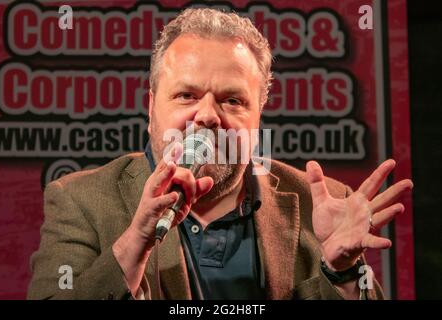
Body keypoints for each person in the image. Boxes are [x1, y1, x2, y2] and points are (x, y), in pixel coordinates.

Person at [27, 8, 413, 300]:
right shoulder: (81, 200)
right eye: (187, 95)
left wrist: (340, 272)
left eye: (232, 99)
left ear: (258, 115)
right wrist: (135, 243)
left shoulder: (322, 203)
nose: (208, 115)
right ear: (151, 108)